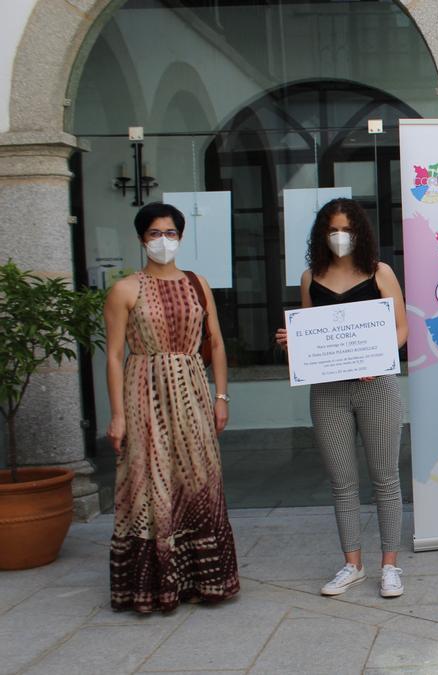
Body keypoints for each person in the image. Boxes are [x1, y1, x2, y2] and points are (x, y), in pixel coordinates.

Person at [104, 202, 239, 613]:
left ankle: (204, 579)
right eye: (154, 234)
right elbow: (112, 355)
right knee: (148, 480)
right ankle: (154, 584)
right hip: (144, 390)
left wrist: (221, 395)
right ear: (142, 239)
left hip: (193, 389)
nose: (163, 241)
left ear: (180, 236)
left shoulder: (198, 283)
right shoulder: (124, 289)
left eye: (169, 233)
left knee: (201, 477)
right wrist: (118, 415)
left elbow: (215, 341)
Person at [274, 198, 409, 599]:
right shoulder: (310, 276)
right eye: (332, 229)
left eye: (347, 230)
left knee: (385, 478)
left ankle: (390, 566)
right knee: (342, 482)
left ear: (360, 233)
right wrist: (291, 342)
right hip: (328, 391)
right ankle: (352, 564)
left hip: (377, 386)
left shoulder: (379, 272)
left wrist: (381, 356)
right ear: (321, 233)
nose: (340, 237)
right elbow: (308, 334)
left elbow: (402, 328)